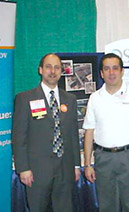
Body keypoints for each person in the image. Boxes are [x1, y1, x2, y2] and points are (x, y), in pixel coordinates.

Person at [83, 53, 129, 212]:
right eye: (107, 69)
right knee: (106, 206)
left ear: (122, 71)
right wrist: (87, 164)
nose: (111, 72)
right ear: (101, 73)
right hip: (103, 159)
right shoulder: (95, 98)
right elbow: (89, 132)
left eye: (115, 68)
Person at [12, 53, 81, 212]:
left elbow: (72, 135)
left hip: (65, 170)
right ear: (40, 70)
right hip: (37, 171)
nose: (53, 71)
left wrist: (76, 165)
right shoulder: (25, 98)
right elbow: (19, 137)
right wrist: (23, 168)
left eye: (57, 67)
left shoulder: (70, 99)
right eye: (48, 67)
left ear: (61, 71)